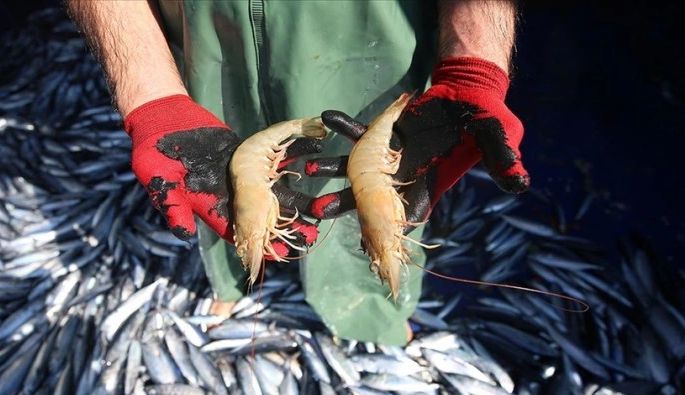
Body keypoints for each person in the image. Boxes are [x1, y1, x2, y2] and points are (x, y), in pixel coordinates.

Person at [64, 0, 529, 346]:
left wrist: (474, 66)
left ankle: (369, 308)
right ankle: (234, 278)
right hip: (203, 22)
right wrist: (155, 101)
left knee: (380, 185)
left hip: (366, 21)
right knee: (206, 177)